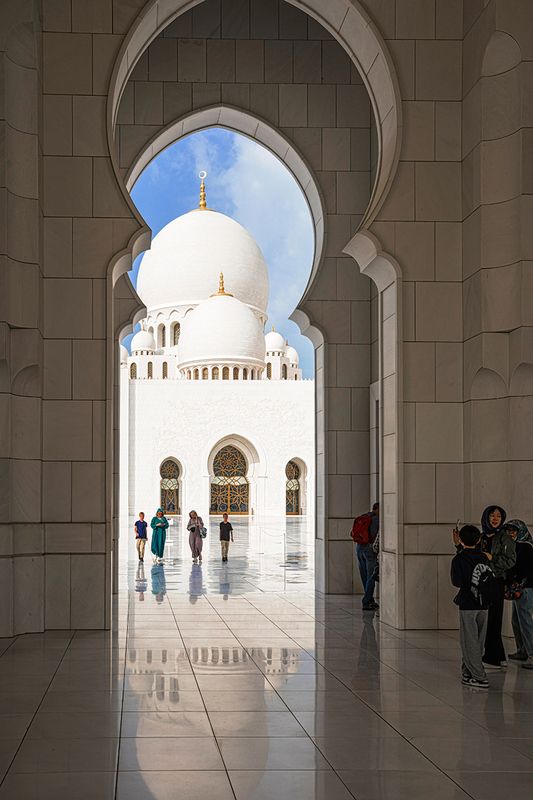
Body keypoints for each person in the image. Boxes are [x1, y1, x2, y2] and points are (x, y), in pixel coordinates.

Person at [451, 525, 491, 689]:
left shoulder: (458, 559)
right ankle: (467, 672)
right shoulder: (484, 557)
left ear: (460, 539)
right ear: (479, 539)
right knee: (478, 640)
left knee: (469, 641)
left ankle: (480, 677)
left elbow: (457, 582)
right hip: (484, 603)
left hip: (468, 603)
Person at [479, 505, 516, 669]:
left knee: (493, 619)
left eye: (498, 516)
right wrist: (459, 544)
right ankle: (499, 656)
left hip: (496, 581)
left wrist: (492, 558)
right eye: (492, 515)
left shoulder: (504, 538)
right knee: (488, 618)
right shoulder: (482, 537)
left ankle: (492, 658)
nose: (495, 519)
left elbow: (510, 561)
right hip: (483, 581)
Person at [504, 519, 533, 670]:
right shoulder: (517, 545)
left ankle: (532, 654)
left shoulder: (525, 546)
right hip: (520, 587)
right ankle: (522, 650)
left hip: (525, 588)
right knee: (516, 621)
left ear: (520, 531)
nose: (510, 533)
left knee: (525, 622)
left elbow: (524, 569)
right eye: (508, 530)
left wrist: (515, 581)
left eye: (513, 530)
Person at [352, 502, 379, 610]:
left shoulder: (364, 516)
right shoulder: (376, 520)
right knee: (371, 576)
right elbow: (375, 537)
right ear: (377, 509)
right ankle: (367, 601)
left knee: (364, 575)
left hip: (359, 548)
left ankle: (370, 599)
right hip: (369, 550)